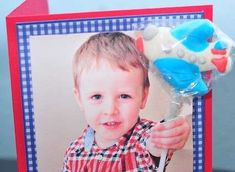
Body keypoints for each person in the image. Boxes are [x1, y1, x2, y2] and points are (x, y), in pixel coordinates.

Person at [62, 32, 190, 172]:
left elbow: (156, 142)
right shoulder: (74, 152)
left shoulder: (143, 140)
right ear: (79, 98)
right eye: (97, 97)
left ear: (143, 96)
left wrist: (170, 133)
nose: (110, 110)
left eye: (124, 96)